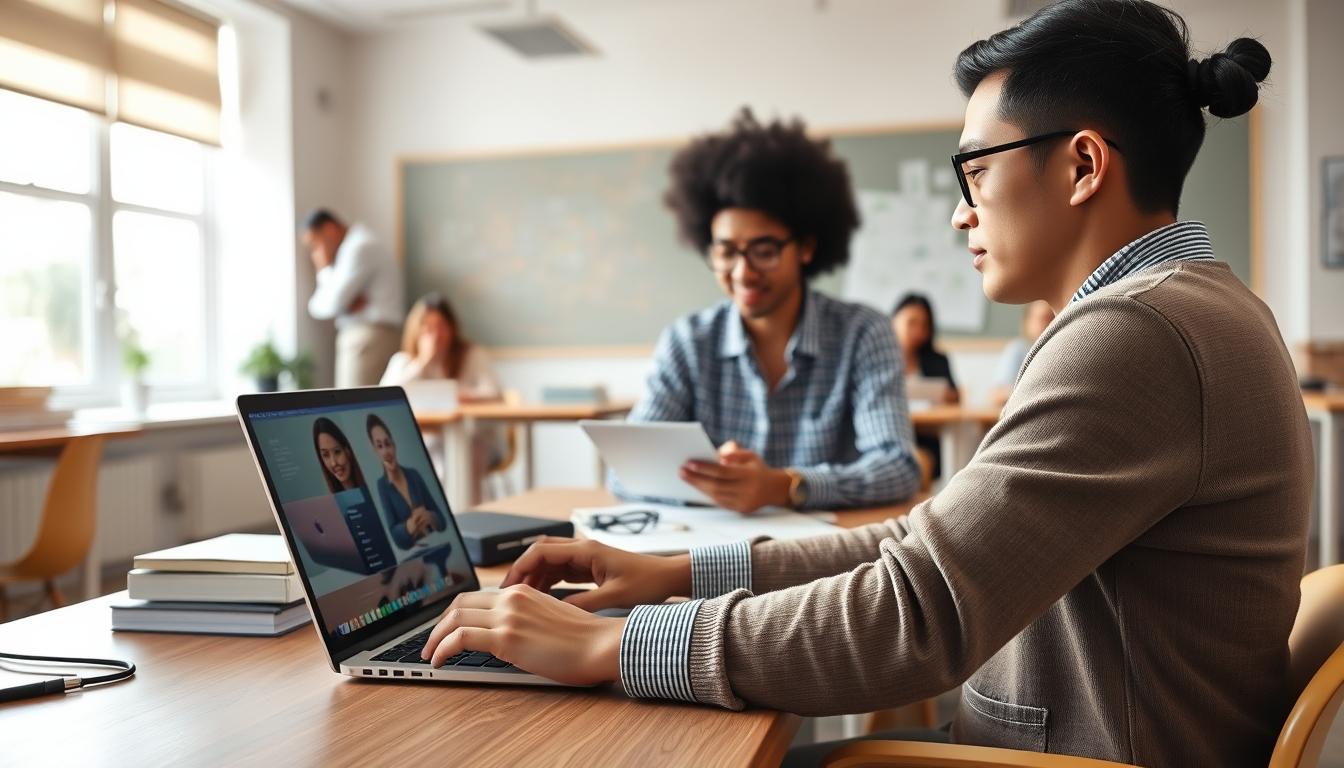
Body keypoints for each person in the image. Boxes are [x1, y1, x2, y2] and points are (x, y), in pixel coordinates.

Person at [417, 4, 1310, 767]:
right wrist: (675, 572)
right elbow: (926, 542)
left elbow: (915, 615)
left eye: (977, 170)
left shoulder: (1135, 333)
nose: (960, 210)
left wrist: (613, 642)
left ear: (1082, 166)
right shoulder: (1182, 308)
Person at [612, 108, 921, 514]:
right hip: (711, 544)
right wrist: (718, 485)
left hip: (830, 548)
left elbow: (898, 468)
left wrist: (782, 486)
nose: (743, 272)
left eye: (764, 250)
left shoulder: (863, 334)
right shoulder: (687, 342)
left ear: (806, 247)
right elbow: (626, 472)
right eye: (726, 251)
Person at [302, 209, 404, 388]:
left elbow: (331, 305)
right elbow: (318, 307)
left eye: (315, 243)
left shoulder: (358, 247)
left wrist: (324, 269)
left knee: (355, 402)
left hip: (368, 339)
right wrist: (345, 305)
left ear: (330, 229)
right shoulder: (355, 246)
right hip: (369, 338)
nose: (315, 252)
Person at [380, 293, 501, 400]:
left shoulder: (472, 355)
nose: (436, 336)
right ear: (416, 331)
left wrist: (454, 397)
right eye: (428, 329)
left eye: (441, 327)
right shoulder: (402, 361)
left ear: (452, 329)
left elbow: (494, 392)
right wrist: (422, 362)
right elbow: (385, 397)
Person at [891, 293, 959, 479]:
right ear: (894, 320)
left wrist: (947, 396)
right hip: (891, 433)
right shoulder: (879, 358)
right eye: (911, 322)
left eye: (924, 325)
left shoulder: (937, 360)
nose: (917, 331)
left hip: (927, 437)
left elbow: (955, 396)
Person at [366, 414, 446, 550]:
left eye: (388, 444)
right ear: (375, 451)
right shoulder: (382, 486)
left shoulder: (413, 474)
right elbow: (396, 537)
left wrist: (430, 517)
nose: (386, 452)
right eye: (379, 446)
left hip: (438, 546)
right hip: (416, 555)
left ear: (394, 445)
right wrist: (410, 525)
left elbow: (442, 521)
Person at [989, 300, 1055, 407]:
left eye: (1050, 318)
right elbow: (997, 396)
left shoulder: (1060, 351)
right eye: (1039, 318)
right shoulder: (1017, 349)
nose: (1044, 324)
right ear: (1027, 321)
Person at [312, 417, 368, 493]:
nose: (333, 463)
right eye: (325, 455)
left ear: (347, 450)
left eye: (337, 451)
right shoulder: (330, 499)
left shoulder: (371, 484)